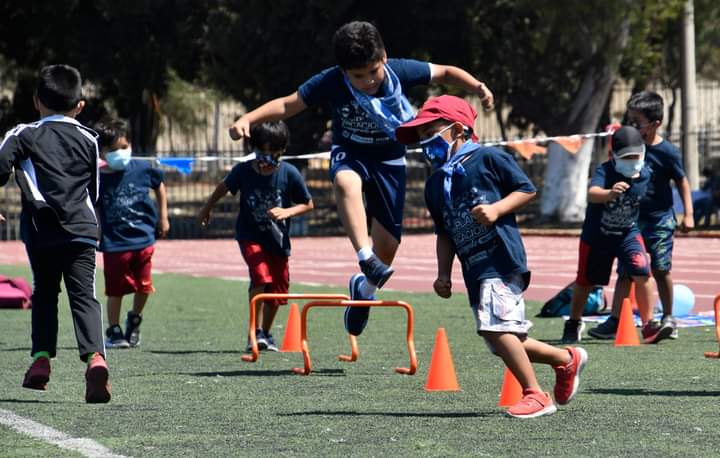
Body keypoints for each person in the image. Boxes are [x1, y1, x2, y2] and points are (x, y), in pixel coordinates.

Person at [228, 21, 494, 337]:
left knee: (390, 246)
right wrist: (247, 118)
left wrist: (477, 86)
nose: (367, 81)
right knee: (345, 183)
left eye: (373, 71)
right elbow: (289, 103)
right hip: (350, 152)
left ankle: (363, 291)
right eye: (358, 76)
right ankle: (364, 257)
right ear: (343, 71)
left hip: (390, 159)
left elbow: (447, 72)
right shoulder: (330, 81)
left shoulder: (400, 71)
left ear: (384, 57)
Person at [396, 95, 587, 419]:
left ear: (457, 129)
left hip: (500, 260)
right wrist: (444, 273)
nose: (422, 142)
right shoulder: (434, 184)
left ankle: (535, 394)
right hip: (473, 269)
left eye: (428, 132)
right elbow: (444, 232)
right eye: (418, 136)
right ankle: (566, 359)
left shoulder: (487, 158)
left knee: (496, 330)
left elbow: (526, 188)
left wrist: (497, 208)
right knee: (502, 338)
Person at [0, 64, 111, 403]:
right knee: (85, 296)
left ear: (36, 101)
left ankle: (41, 361)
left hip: (41, 229)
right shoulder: (90, 139)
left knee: (45, 293)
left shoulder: (23, 134)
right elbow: (92, 190)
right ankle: (95, 358)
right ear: (79, 106)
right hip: (81, 228)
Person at [588, 92, 694, 343]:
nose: (632, 127)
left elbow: (682, 181)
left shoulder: (667, 151)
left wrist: (688, 214)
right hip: (630, 218)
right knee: (626, 270)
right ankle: (615, 319)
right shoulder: (630, 146)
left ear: (656, 123)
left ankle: (668, 318)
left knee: (660, 267)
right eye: (630, 120)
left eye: (638, 123)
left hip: (659, 218)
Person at [200, 121, 313, 351]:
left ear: (282, 151)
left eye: (273, 152)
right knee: (261, 277)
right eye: (262, 150)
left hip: (278, 240)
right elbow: (224, 187)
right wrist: (207, 207)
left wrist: (287, 211)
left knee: (278, 292)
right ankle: (254, 331)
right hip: (250, 235)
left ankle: (265, 334)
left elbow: (308, 204)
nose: (266, 157)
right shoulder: (243, 171)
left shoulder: (289, 173)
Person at [561, 126, 654, 344]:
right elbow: (592, 194)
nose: (632, 161)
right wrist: (609, 193)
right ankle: (573, 322)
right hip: (597, 237)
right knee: (585, 282)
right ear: (614, 157)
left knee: (643, 273)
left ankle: (649, 325)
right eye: (626, 158)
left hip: (627, 233)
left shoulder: (647, 173)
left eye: (636, 157)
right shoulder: (605, 171)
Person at [94, 118, 169, 349]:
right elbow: (94, 205)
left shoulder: (143, 169)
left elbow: (160, 186)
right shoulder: (97, 177)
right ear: (102, 153)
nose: (121, 153)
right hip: (115, 242)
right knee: (115, 289)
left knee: (144, 285)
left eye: (124, 147)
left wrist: (164, 217)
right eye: (113, 149)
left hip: (144, 239)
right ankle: (113, 330)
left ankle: (134, 319)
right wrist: (96, 229)